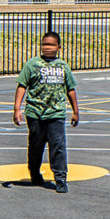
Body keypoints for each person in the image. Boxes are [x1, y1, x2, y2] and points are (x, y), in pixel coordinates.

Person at [14, 31, 80, 192]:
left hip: (56, 114)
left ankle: (60, 178)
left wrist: (75, 111)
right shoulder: (32, 64)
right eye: (44, 44)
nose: (47, 48)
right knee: (36, 146)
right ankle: (35, 173)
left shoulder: (63, 66)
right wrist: (17, 108)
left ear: (59, 47)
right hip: (35, 113)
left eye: (51, 45)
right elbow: (22, 85)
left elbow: (70, 89)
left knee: (58, 146)